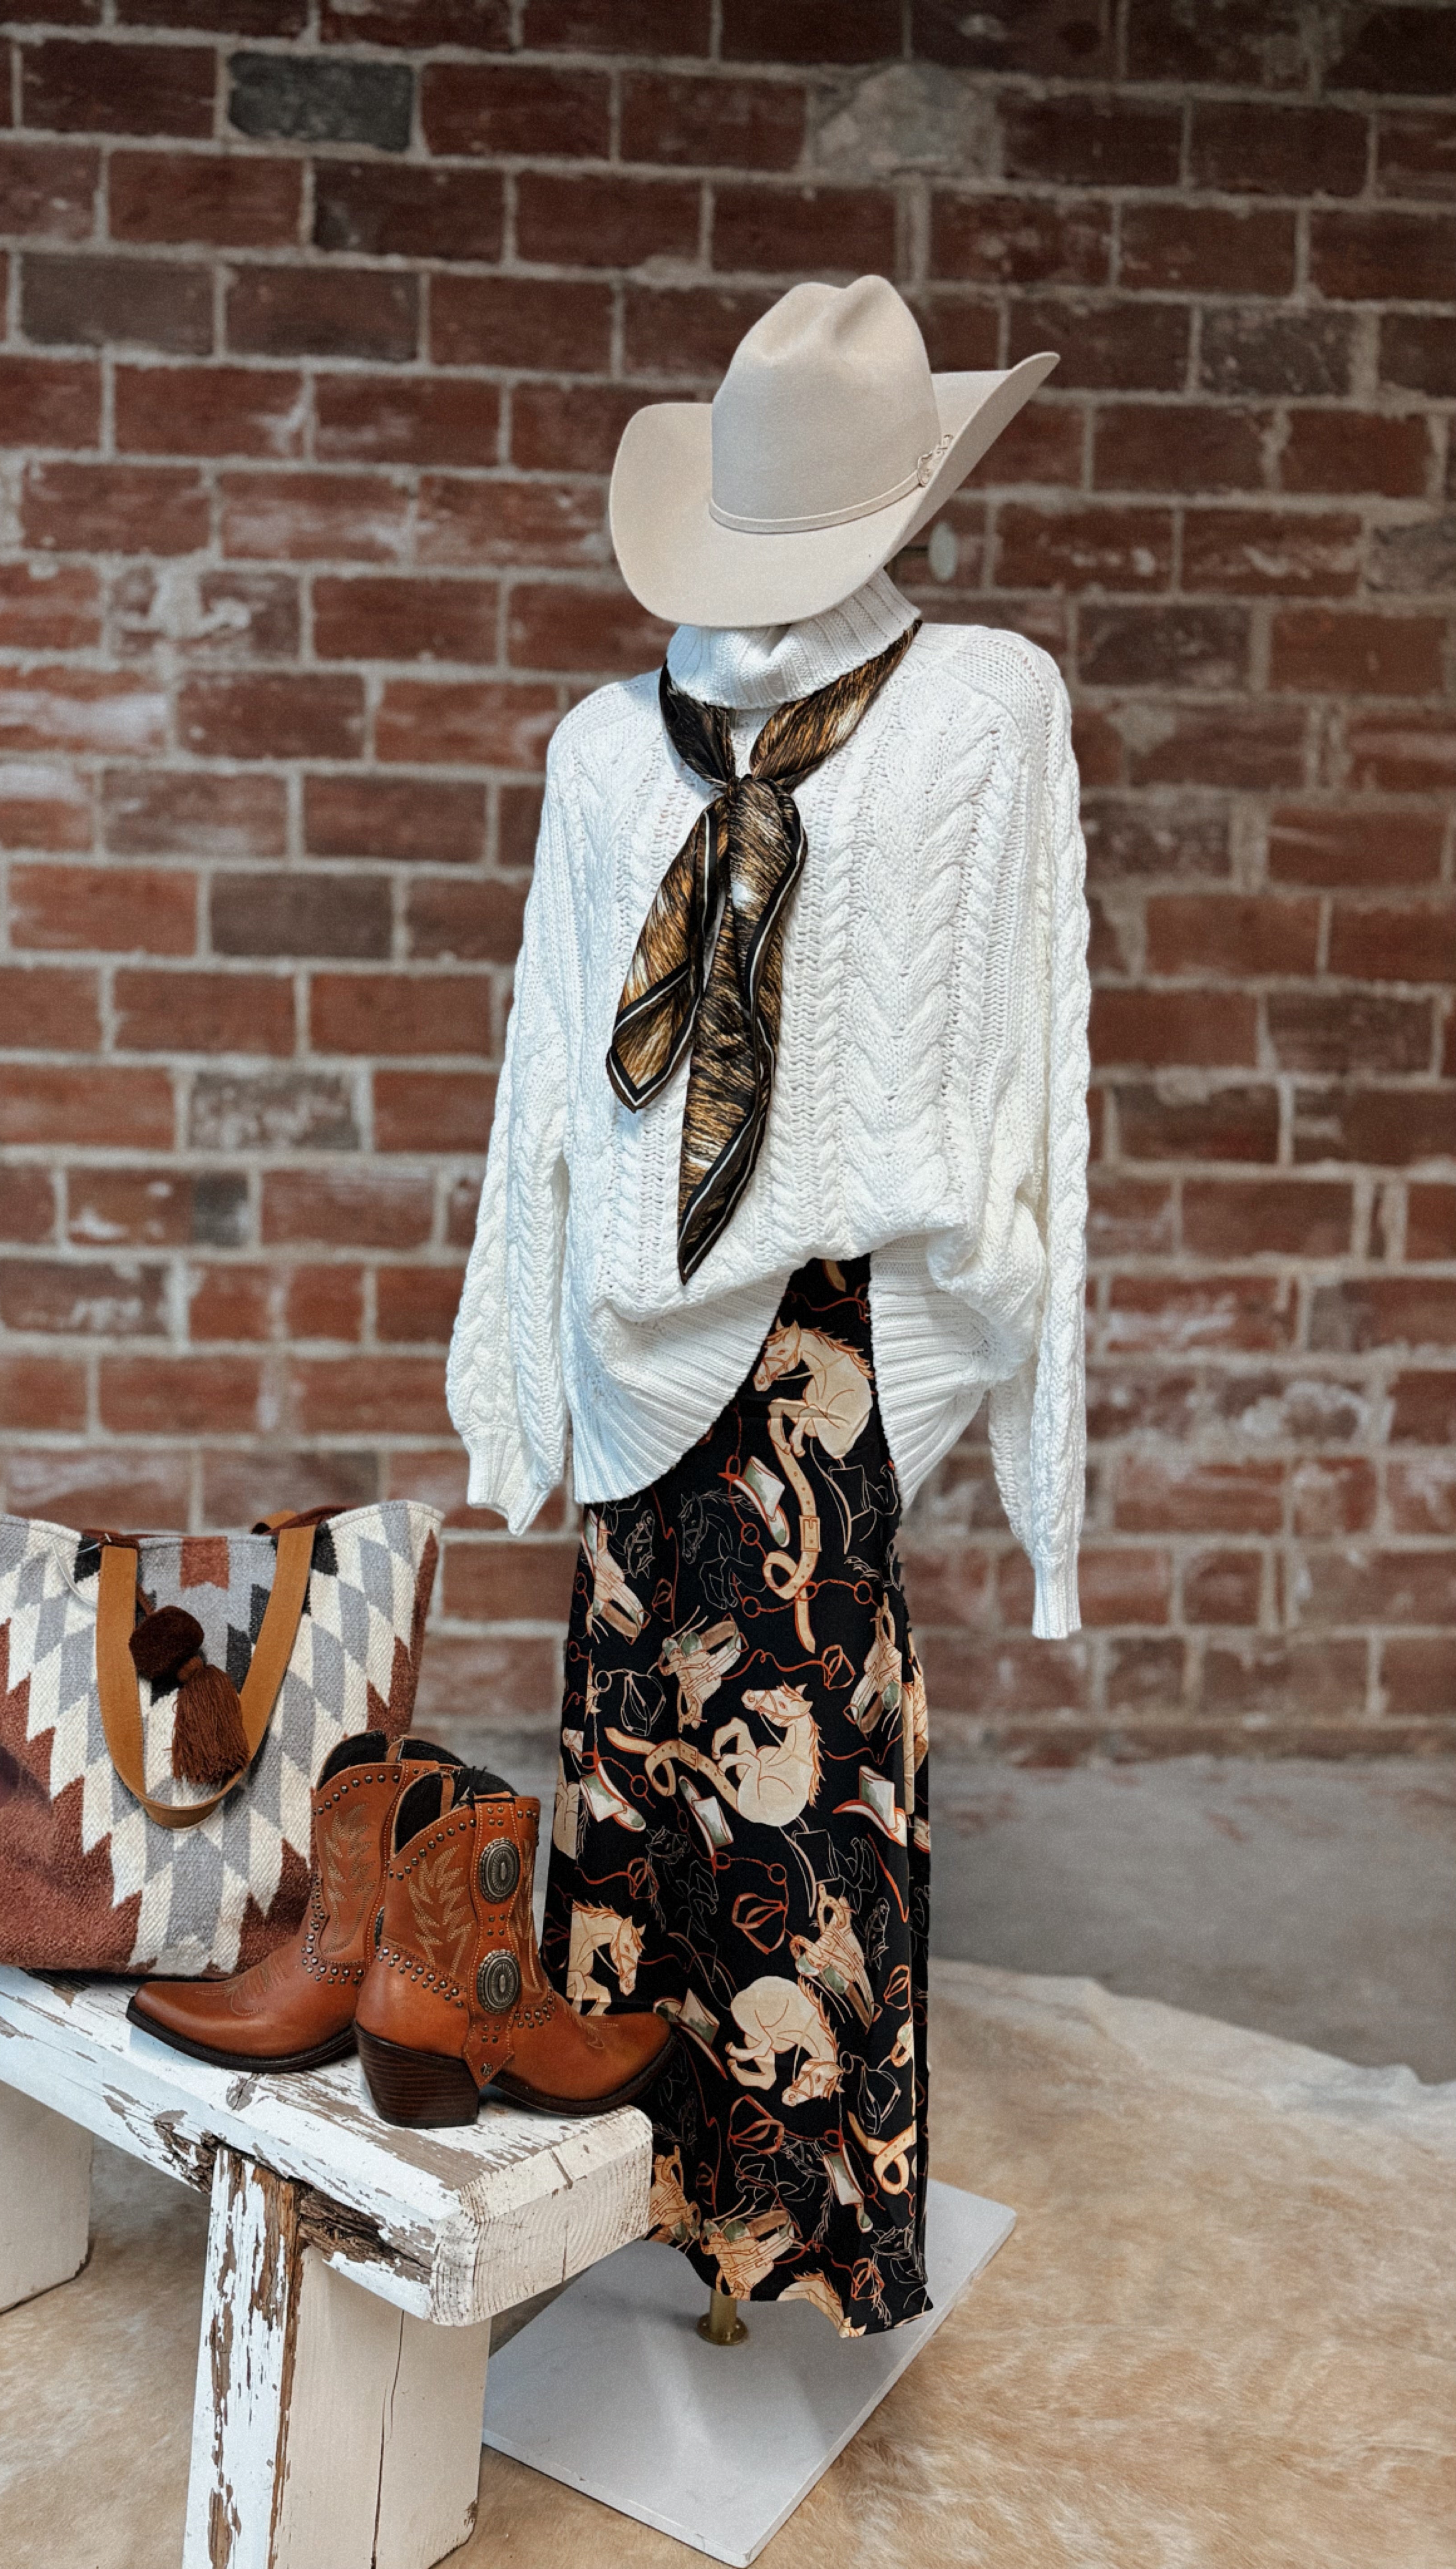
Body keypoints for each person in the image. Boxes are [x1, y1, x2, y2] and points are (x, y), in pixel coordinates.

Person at [445, 274, 1090, 2335]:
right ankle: (647, 2211)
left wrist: (1041, 1446)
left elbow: (1035, 1069)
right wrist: (512, 1393)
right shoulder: (599, 754)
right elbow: (545, 1083)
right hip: (653, 1361)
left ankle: (798, 2231)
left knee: (811, 1817)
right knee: (635, 1809)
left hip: (831, 1364)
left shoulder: (986, 712)